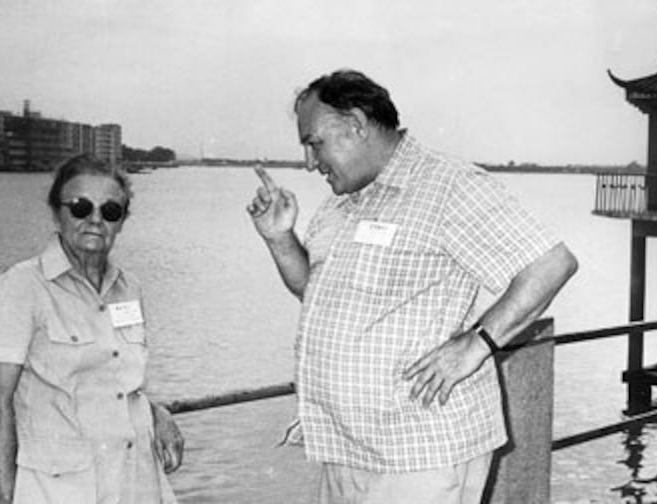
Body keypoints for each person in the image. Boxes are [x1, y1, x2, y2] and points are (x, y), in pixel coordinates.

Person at [247, 69, 578, 504]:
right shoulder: (341, 203)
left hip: (419, 451)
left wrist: (477, 344)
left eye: (315, 143)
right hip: (346, 445)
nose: (310, 162)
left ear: (356, 125)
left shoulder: (448, 185)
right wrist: (279, 238)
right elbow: (315, 293)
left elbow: (550, 264)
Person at [0, 154, 183, 504]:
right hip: (60, 491)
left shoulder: (130, 288)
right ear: (57, 213)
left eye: (110, 211)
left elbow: (118, 382)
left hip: (137, 483)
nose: (95, 220)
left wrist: (157, 414)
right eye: (80, 207)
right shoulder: (19, 288)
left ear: (122, 222)